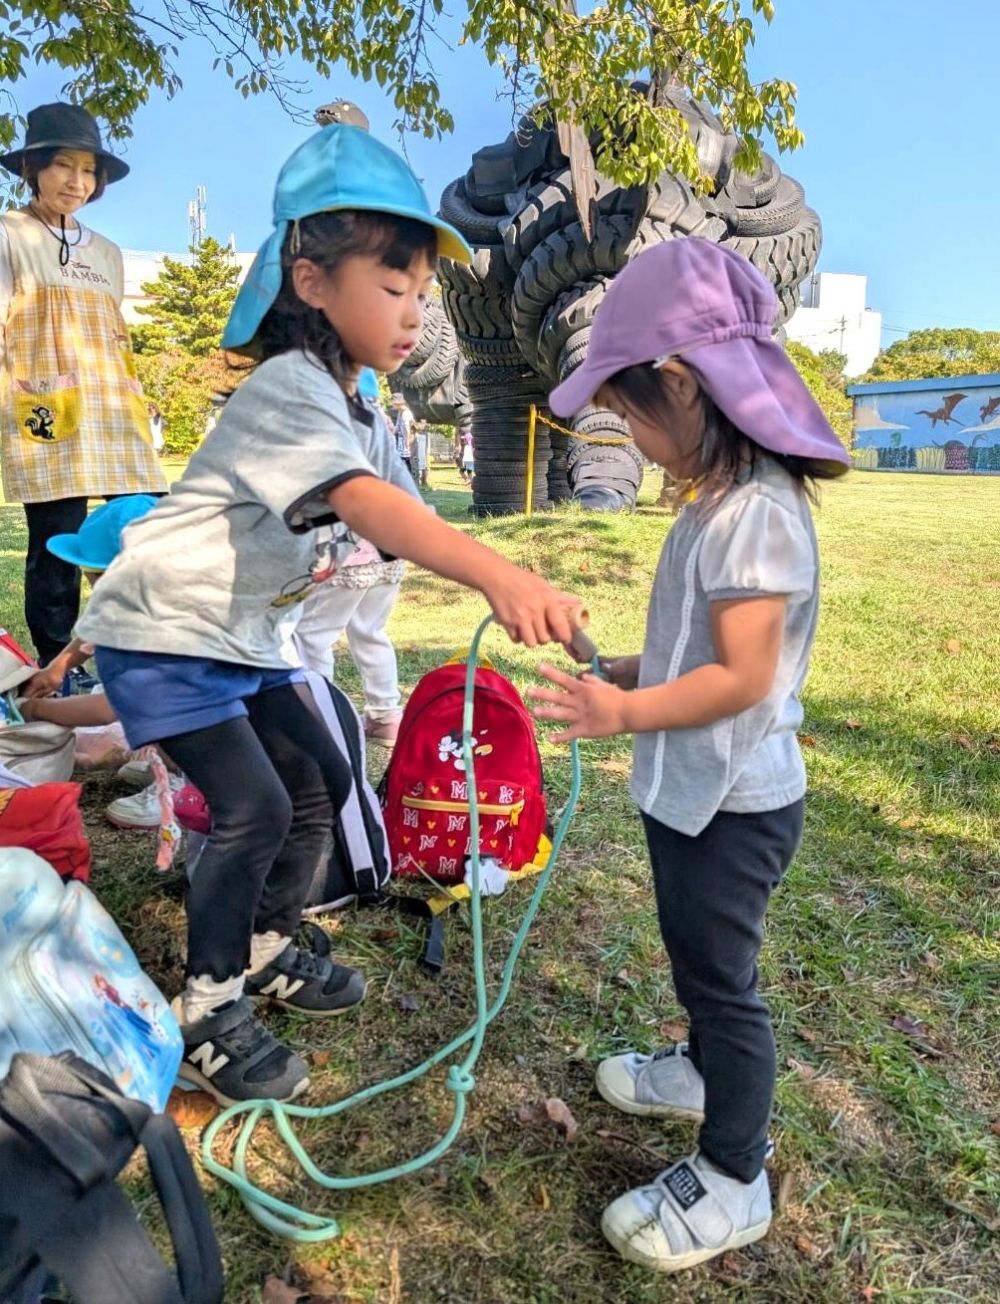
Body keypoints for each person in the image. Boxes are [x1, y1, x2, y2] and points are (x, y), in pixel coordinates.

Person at [76, 123, 579, 1106]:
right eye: (393, 290)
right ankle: (210, 1005)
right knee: (257, 803)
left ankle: (262, 942)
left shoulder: (359, 406)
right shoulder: (286, 389)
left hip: (242, 636)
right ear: (311, 282)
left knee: (325, 774)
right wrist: (493, 577)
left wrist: (501, 565)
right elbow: (368, 504)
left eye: (422, 297)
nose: (411, 314)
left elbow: (408, 515)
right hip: (165, 629)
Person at [528, 238, 849, 1274]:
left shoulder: (754, 513)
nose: (626, 432)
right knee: (697, 957)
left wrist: (624, 714)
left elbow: (744, 675)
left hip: (734, 806)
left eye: (630, 412)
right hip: (695, 795)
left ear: (682, 381)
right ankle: (699, 1068)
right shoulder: (719, 502)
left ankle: (732, 1172)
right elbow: (697, 653)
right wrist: (626, 664)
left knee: (726, 986)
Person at [0, 103, 166, 670]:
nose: (77, 181)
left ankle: (139, 657)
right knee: (57, 546)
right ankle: (57, 666)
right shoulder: (8, 235)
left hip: (114, 411)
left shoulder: (109, 253)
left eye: (88, 170)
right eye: (64, 166)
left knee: (143, 534)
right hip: (47, 409)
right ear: (35, 168)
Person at [389, 391, 414, 475]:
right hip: (401, 442)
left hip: (406, 442)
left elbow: (408, 428)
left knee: (406, 462)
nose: (392, 406)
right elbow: (397, 426)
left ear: (397, 403)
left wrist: (407, 441)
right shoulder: (400, 412)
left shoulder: (406, 414)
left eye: (393, 404)